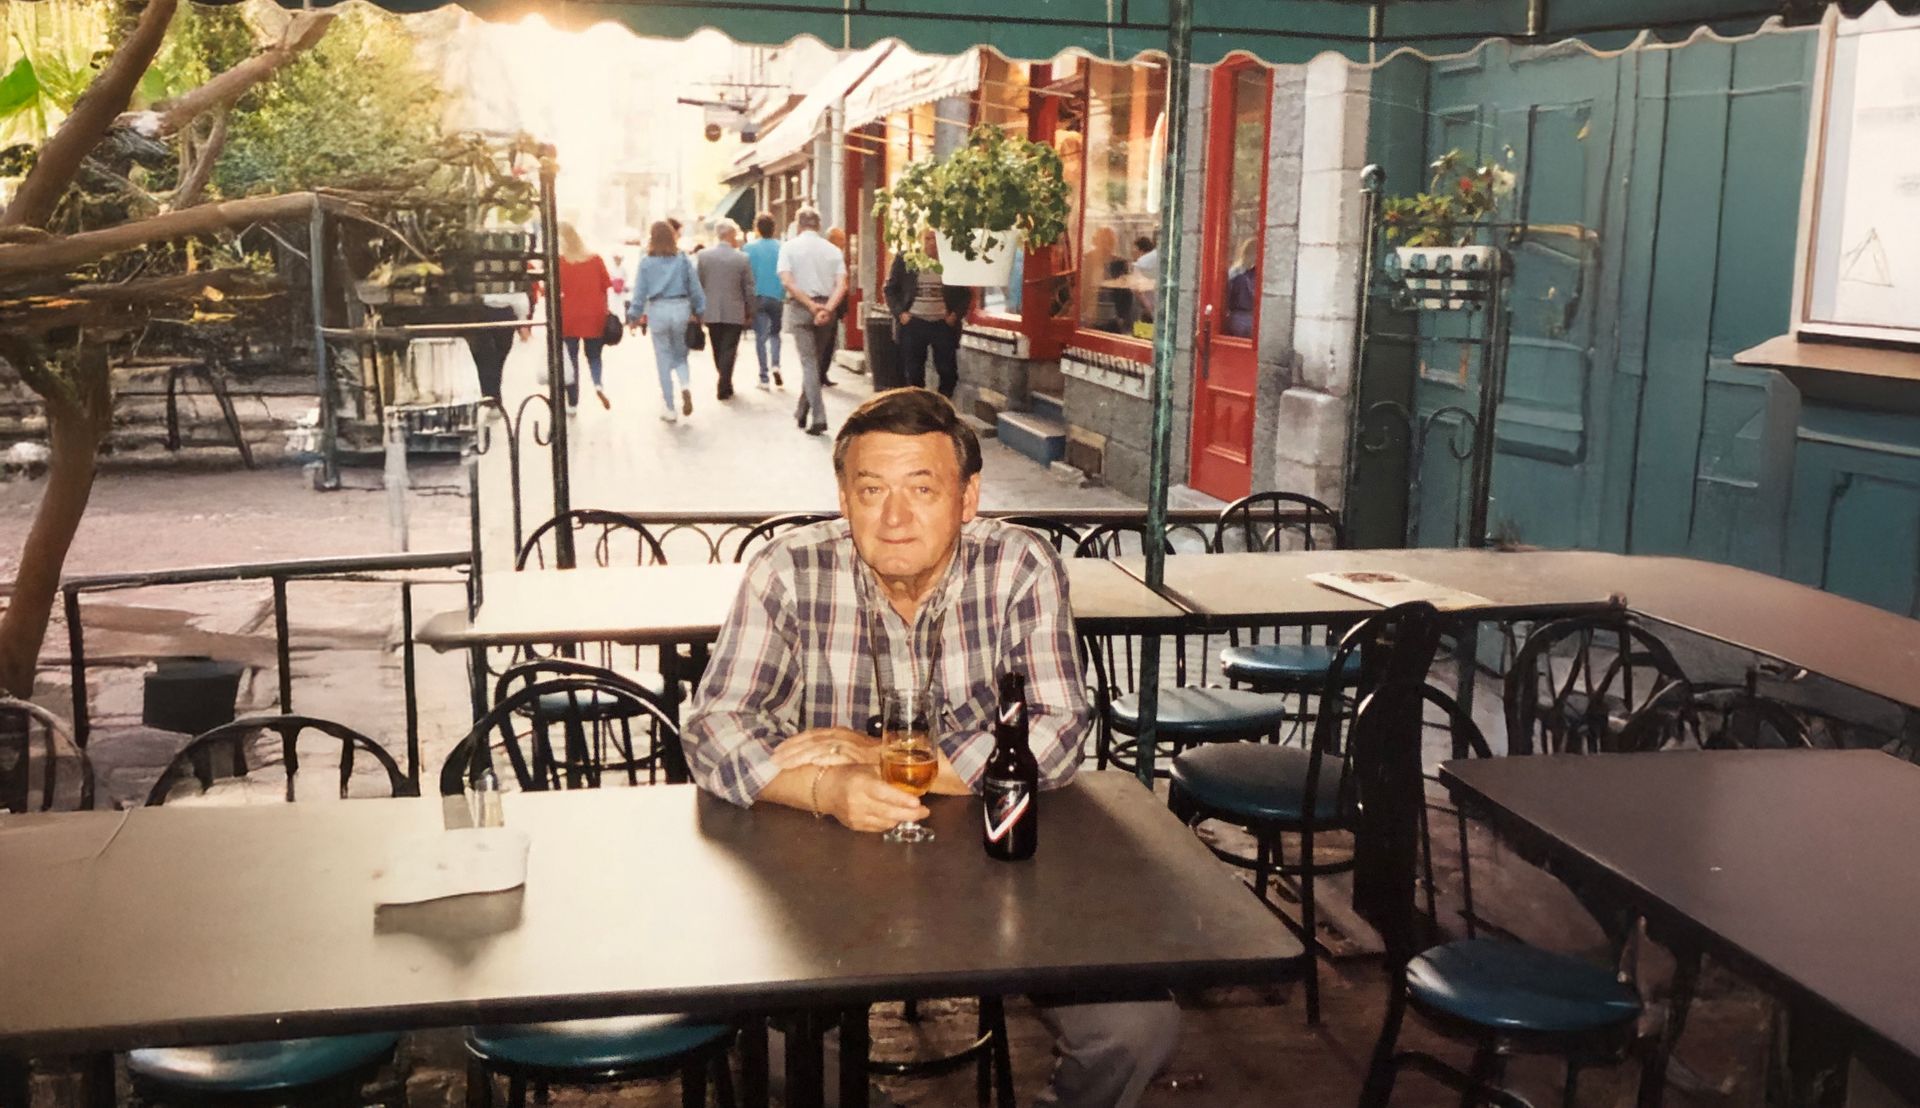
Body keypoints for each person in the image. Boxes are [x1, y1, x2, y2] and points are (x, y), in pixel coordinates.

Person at [685, 389, 1182, 1108]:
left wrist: (875, 758)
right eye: (871, 490)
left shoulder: (1017, 566)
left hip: (999, 868)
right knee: (772, 1044)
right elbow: (712, 725)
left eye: (922, 489)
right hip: (827, 877)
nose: (894, 518)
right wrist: (826, 790)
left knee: (1135, 1027)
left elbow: (1060, 732)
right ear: (843, 499)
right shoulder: (788, 569)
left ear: (968, 497)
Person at [776, 206, 847, 437]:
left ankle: (819, 416)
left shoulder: (789, 248)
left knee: (809, 363)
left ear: (798, 225)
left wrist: (809, 304)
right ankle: (801, 410)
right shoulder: (832, 250)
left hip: (800, 307)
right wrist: (827, 308)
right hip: (826, 307)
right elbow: (842, 285)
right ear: (819, 225)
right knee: (814, 363)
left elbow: (787, 281)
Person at [628, 220, 706, 423]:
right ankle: (685, 385)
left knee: (663, 359)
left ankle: (670, 408)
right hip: (681, 308)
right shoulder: (682, 260)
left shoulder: (646, 262)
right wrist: (700, 310)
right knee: (680, 355)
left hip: (658, 310)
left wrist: (634, 316)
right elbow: (695, 287)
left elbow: (639, 293)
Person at [884, 227, 973, 398]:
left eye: (936, 239)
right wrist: (900, 313)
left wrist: (955, 315)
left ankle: (942, 404)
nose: (932, 243)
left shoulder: (950, 261)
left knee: (948, 372)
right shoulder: (907, 259)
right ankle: (919, 407)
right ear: (920, 240)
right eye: (928, 239)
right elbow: (890, 289)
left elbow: (965, 294)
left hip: (942, 324)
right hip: (913, 323)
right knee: (914, 372)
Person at [552, 223, 614, 411]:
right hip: (594, 315)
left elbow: (551, 292)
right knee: (594, 356)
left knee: (571, 359)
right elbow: (606, 286)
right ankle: (598, 385)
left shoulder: (560, 262)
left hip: (569, 316)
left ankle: (572, 402)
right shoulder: (595, 259)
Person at [695, 218, 757, 401]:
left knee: (717, 348)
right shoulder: (742, 258)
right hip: (735, 310)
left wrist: (696, 308)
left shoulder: (704, 256)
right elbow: (749, 287)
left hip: (711, 309)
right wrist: (751, 309)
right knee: (729, 348)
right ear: (730, 235)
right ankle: (725, 382)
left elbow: (698, 284)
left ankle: (724, 381)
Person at [744, 212, 785, 390]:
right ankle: (776, 364)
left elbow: (745, 274)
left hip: (758, 295)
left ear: (757, 229)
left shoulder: (748, 248)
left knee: (760, 337)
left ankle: (764, 377)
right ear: (774, 228)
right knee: (775, 333)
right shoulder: (782, 247)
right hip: (777, 295)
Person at [818, 226, 851, 387]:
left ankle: (822, 373)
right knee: (824, 342)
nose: (844, 243)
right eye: (841, 239)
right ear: (833, 240)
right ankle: (819, 374)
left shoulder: (837, 256)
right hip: (826, 304)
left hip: (834, 307)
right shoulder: (828, 257)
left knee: (830, 342)